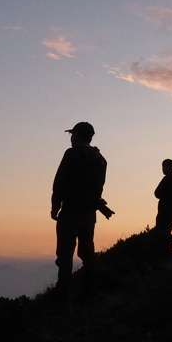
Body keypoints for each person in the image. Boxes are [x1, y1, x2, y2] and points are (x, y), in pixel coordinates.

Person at [50, 121, 110, 298]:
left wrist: (55, 207)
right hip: (89, 213)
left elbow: (60, 182)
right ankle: (91, 290)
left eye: (72, 135)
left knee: (65, 253)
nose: (71, 138)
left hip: (70, 211)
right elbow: (99, 186)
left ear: (76, 135)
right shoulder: (100, 159)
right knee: (87, 251)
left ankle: (62, 295)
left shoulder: (72, 154)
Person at [154, 159, 172, 232]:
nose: (163, 169)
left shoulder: (168, 179)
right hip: (171, 211)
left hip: (165, 211)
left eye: (164, 167)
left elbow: (157, 193)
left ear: (169, 167)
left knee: (161, 232)